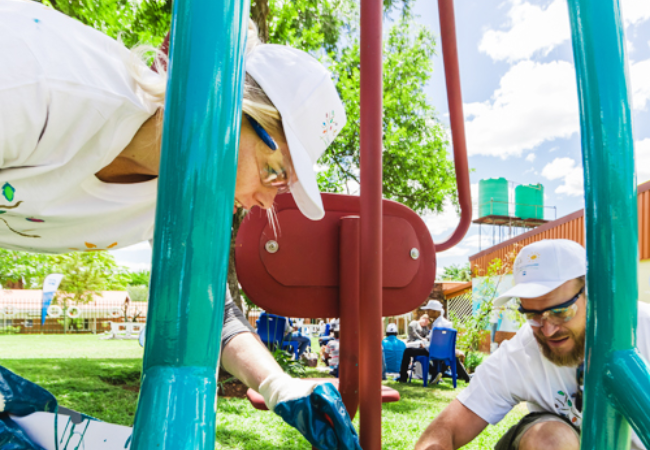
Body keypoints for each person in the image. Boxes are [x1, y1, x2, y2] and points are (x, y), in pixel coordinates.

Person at [0, 2, 359, 449]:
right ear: (224, 113)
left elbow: (210, 312)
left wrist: (278, 386)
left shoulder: (177, 194)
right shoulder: (46, 84)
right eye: (275, 172)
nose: (269, 200)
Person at [414, 239, 650, 450]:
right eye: (533, 315)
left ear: (592, 295)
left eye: (561, 311)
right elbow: (449, 427)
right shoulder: (523, 351)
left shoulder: (643, 329)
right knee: (549, 440)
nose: (548, 330)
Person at [397, 300, 470, 384]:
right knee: (450, 358)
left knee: (408, 351)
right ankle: (438, 373)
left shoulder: (436, 324)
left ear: (435, 311)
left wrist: (425, 346)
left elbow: (434, 343)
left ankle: (403, 377)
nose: (427, 312)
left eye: (429, 310)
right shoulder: (447, 323)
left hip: (434, 351)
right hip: (446, 351)